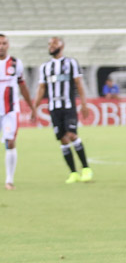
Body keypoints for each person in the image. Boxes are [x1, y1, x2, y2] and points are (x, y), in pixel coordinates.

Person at [31, 37, 93, 184]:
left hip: (68, 106)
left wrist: (84, 104)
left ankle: (86, 169)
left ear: (62, 46)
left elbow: (79, 84)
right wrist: (34, 107)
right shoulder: (45, 67)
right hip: (54, 108)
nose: (51, 46)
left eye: (54, 43)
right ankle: (73, 173)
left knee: (72, 134)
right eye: (49, 44)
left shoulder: (71, 63)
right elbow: (41, 88)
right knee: (63, 139)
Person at [0, 34, 35, 190]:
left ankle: (9, 180)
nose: (1, 46)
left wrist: (32, 107)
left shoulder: (16, 63)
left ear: (8, 45)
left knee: (10, 142)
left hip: (10, 111)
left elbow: (23, 86)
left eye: (4, 43)